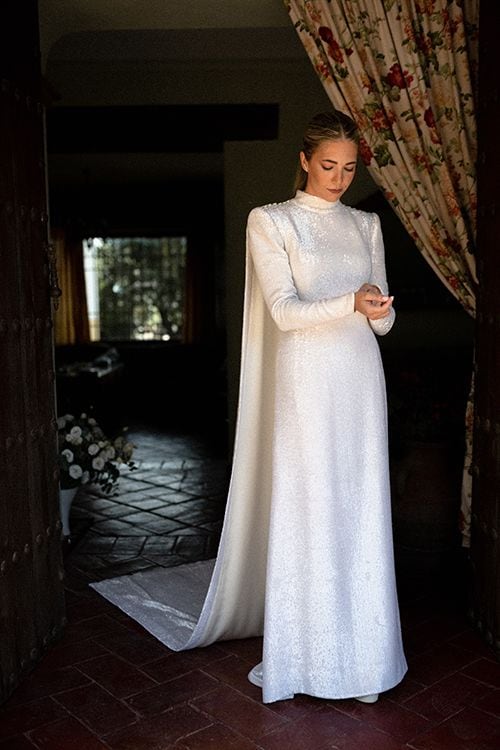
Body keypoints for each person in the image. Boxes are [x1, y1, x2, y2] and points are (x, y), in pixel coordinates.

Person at [93, 110, 407, 705]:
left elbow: (386, 321)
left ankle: (365, 660)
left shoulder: (367, 224)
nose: (339, 179)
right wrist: (350, 302)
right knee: (311, 508)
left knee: (360, 508)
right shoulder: (271, 221)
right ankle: (306, 662)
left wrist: (377, 309)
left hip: (361, 381)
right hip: (306, 383)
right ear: (304, 161)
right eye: (328, 167)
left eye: (348, 168)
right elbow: (285, 313)